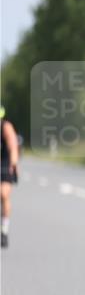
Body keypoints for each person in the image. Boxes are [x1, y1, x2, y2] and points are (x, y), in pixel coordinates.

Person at [1, 106, 20, 249]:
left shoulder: (6, 127)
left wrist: (13, 164)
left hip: (5, 165)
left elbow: (13, 146)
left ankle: (4, 230)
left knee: (3, 194)